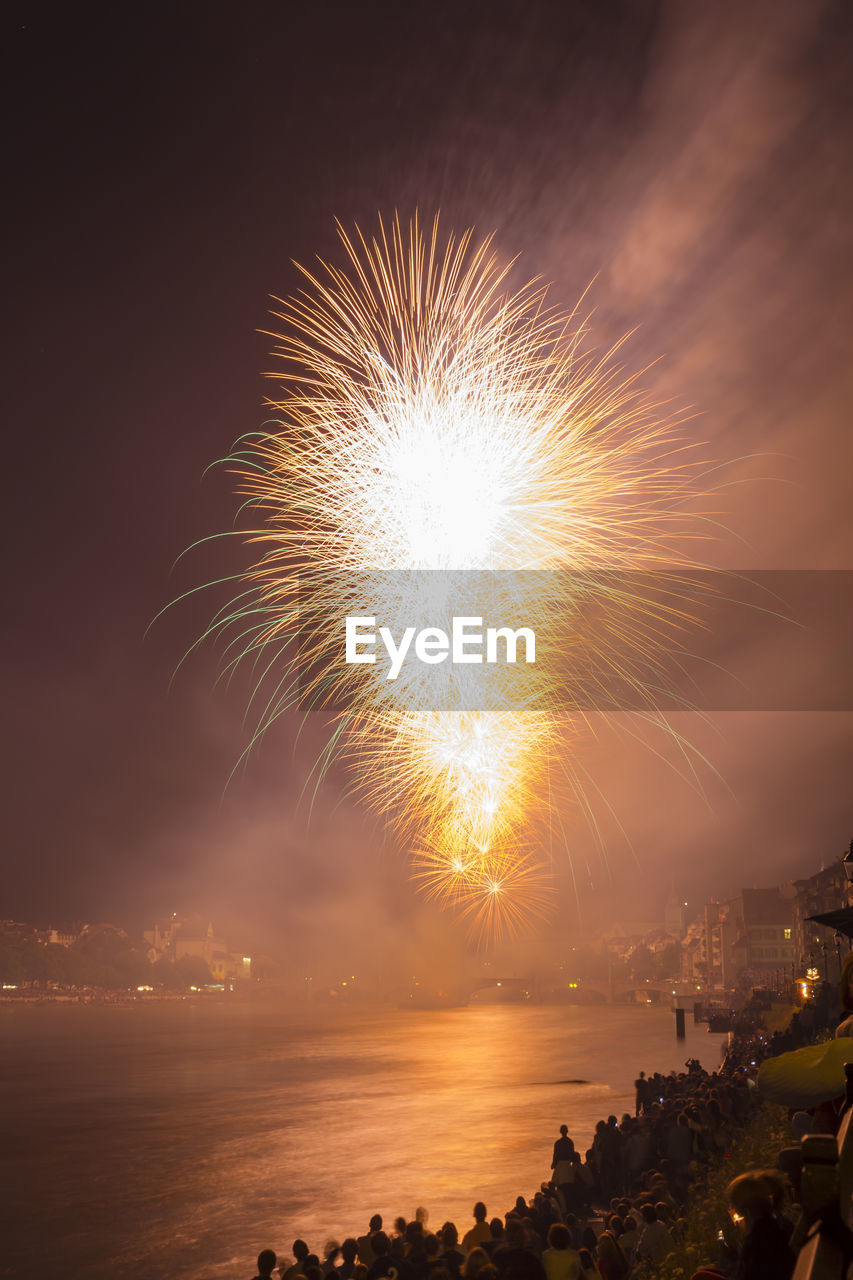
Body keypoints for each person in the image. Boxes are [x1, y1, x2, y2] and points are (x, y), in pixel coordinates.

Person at [726, 1172, 795, 1280]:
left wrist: (733, 1263)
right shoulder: (782, 1226)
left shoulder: (759, 1240)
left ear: (745, 1210)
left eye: (734, 1207)